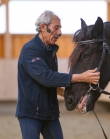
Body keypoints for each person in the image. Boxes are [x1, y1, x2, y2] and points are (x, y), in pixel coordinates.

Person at [15, 10, 100, 139]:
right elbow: (46, 77)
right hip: (30, 114)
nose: (60, 32)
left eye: (60, 28)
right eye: (56, 28)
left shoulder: (51, 52)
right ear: (43, 27)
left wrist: (76, 100)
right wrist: (81, 77)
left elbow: (52, 84)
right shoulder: (30, 50)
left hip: (50, 114)